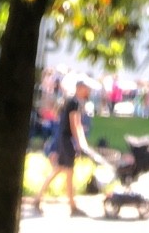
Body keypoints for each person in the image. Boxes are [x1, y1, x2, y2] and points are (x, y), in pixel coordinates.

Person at [33, 75, 94, 217]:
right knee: (69, 172)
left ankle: (38, 199)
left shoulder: (71, 101)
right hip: (67, 141)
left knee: (59, 170)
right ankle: (72, 206)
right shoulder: (75, 103)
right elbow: (75, 124)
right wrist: (81, 143)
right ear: (80, 89)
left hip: (62, 139)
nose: (88, 91)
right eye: (86, 88)